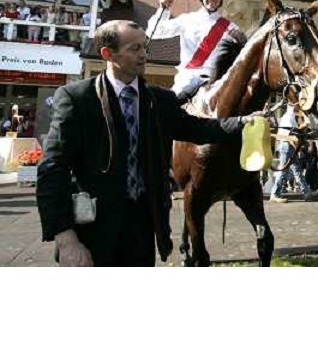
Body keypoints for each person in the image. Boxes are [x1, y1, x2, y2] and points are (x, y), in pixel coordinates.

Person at [36, 19, 257, 267]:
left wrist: (244, 123)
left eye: (145, 47)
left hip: (142, 227)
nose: (144, 55)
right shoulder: (76, 98)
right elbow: (52, 168)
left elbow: (198, 128)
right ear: (108, 54)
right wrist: (66, 239)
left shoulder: (160, 100)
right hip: (92, 232)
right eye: (135, 49)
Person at [146, 0, 246, 104]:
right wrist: (163, 9)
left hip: (218, 81)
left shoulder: (231, 28)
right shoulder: (187, 20)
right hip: (188, 79)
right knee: (170, 109)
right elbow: (154, 31)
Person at [270, 104, 317, 202]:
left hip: (289, 146)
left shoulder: (290, 118)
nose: (300, 108)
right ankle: (275, 194)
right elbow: (290, 136)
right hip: (287, 146)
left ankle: (306, 193)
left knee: (297, 170)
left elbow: (294, 133)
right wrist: (306, 117)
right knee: (284, 170)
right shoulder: (288, 118)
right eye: (298, 106)